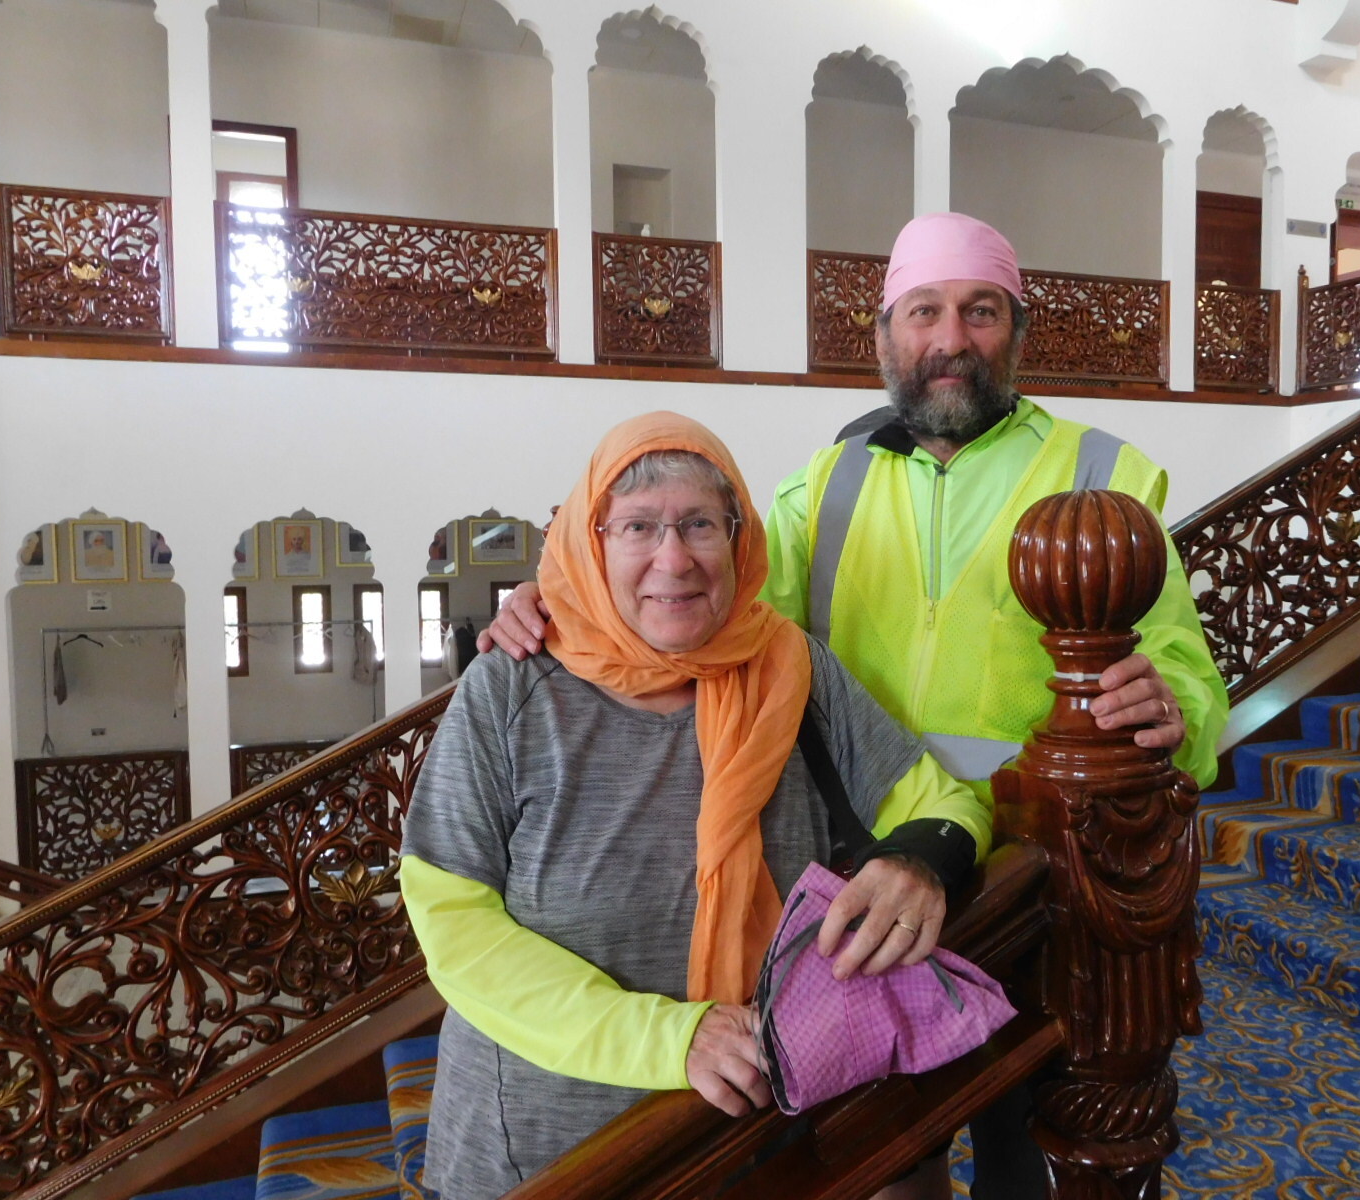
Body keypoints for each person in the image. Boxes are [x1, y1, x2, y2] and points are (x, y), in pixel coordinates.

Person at [481, 213, 1229, 1198]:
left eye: (981, 311)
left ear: (1018, 330)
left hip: (1049, 889)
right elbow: (717, 617)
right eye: (924, 312)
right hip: (867, 889)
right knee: (889, 1160)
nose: (951, 338)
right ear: (884, 334)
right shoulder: (825, 483)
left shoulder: (1102, 475)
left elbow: (1188, 680)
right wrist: (564, 599)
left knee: (1037, 1155)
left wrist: (1171, 706)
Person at [401, 412, 993, 1199]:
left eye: (700, 525)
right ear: (590, 542)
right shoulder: (512, 689)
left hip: (753, 1140)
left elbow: (941, 802)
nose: (673, 558)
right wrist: (670, 1039)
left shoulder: (791, 669)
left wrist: (920, 862)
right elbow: (455, 925)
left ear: (739, 538)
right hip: (544, 1154)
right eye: (638, 527)